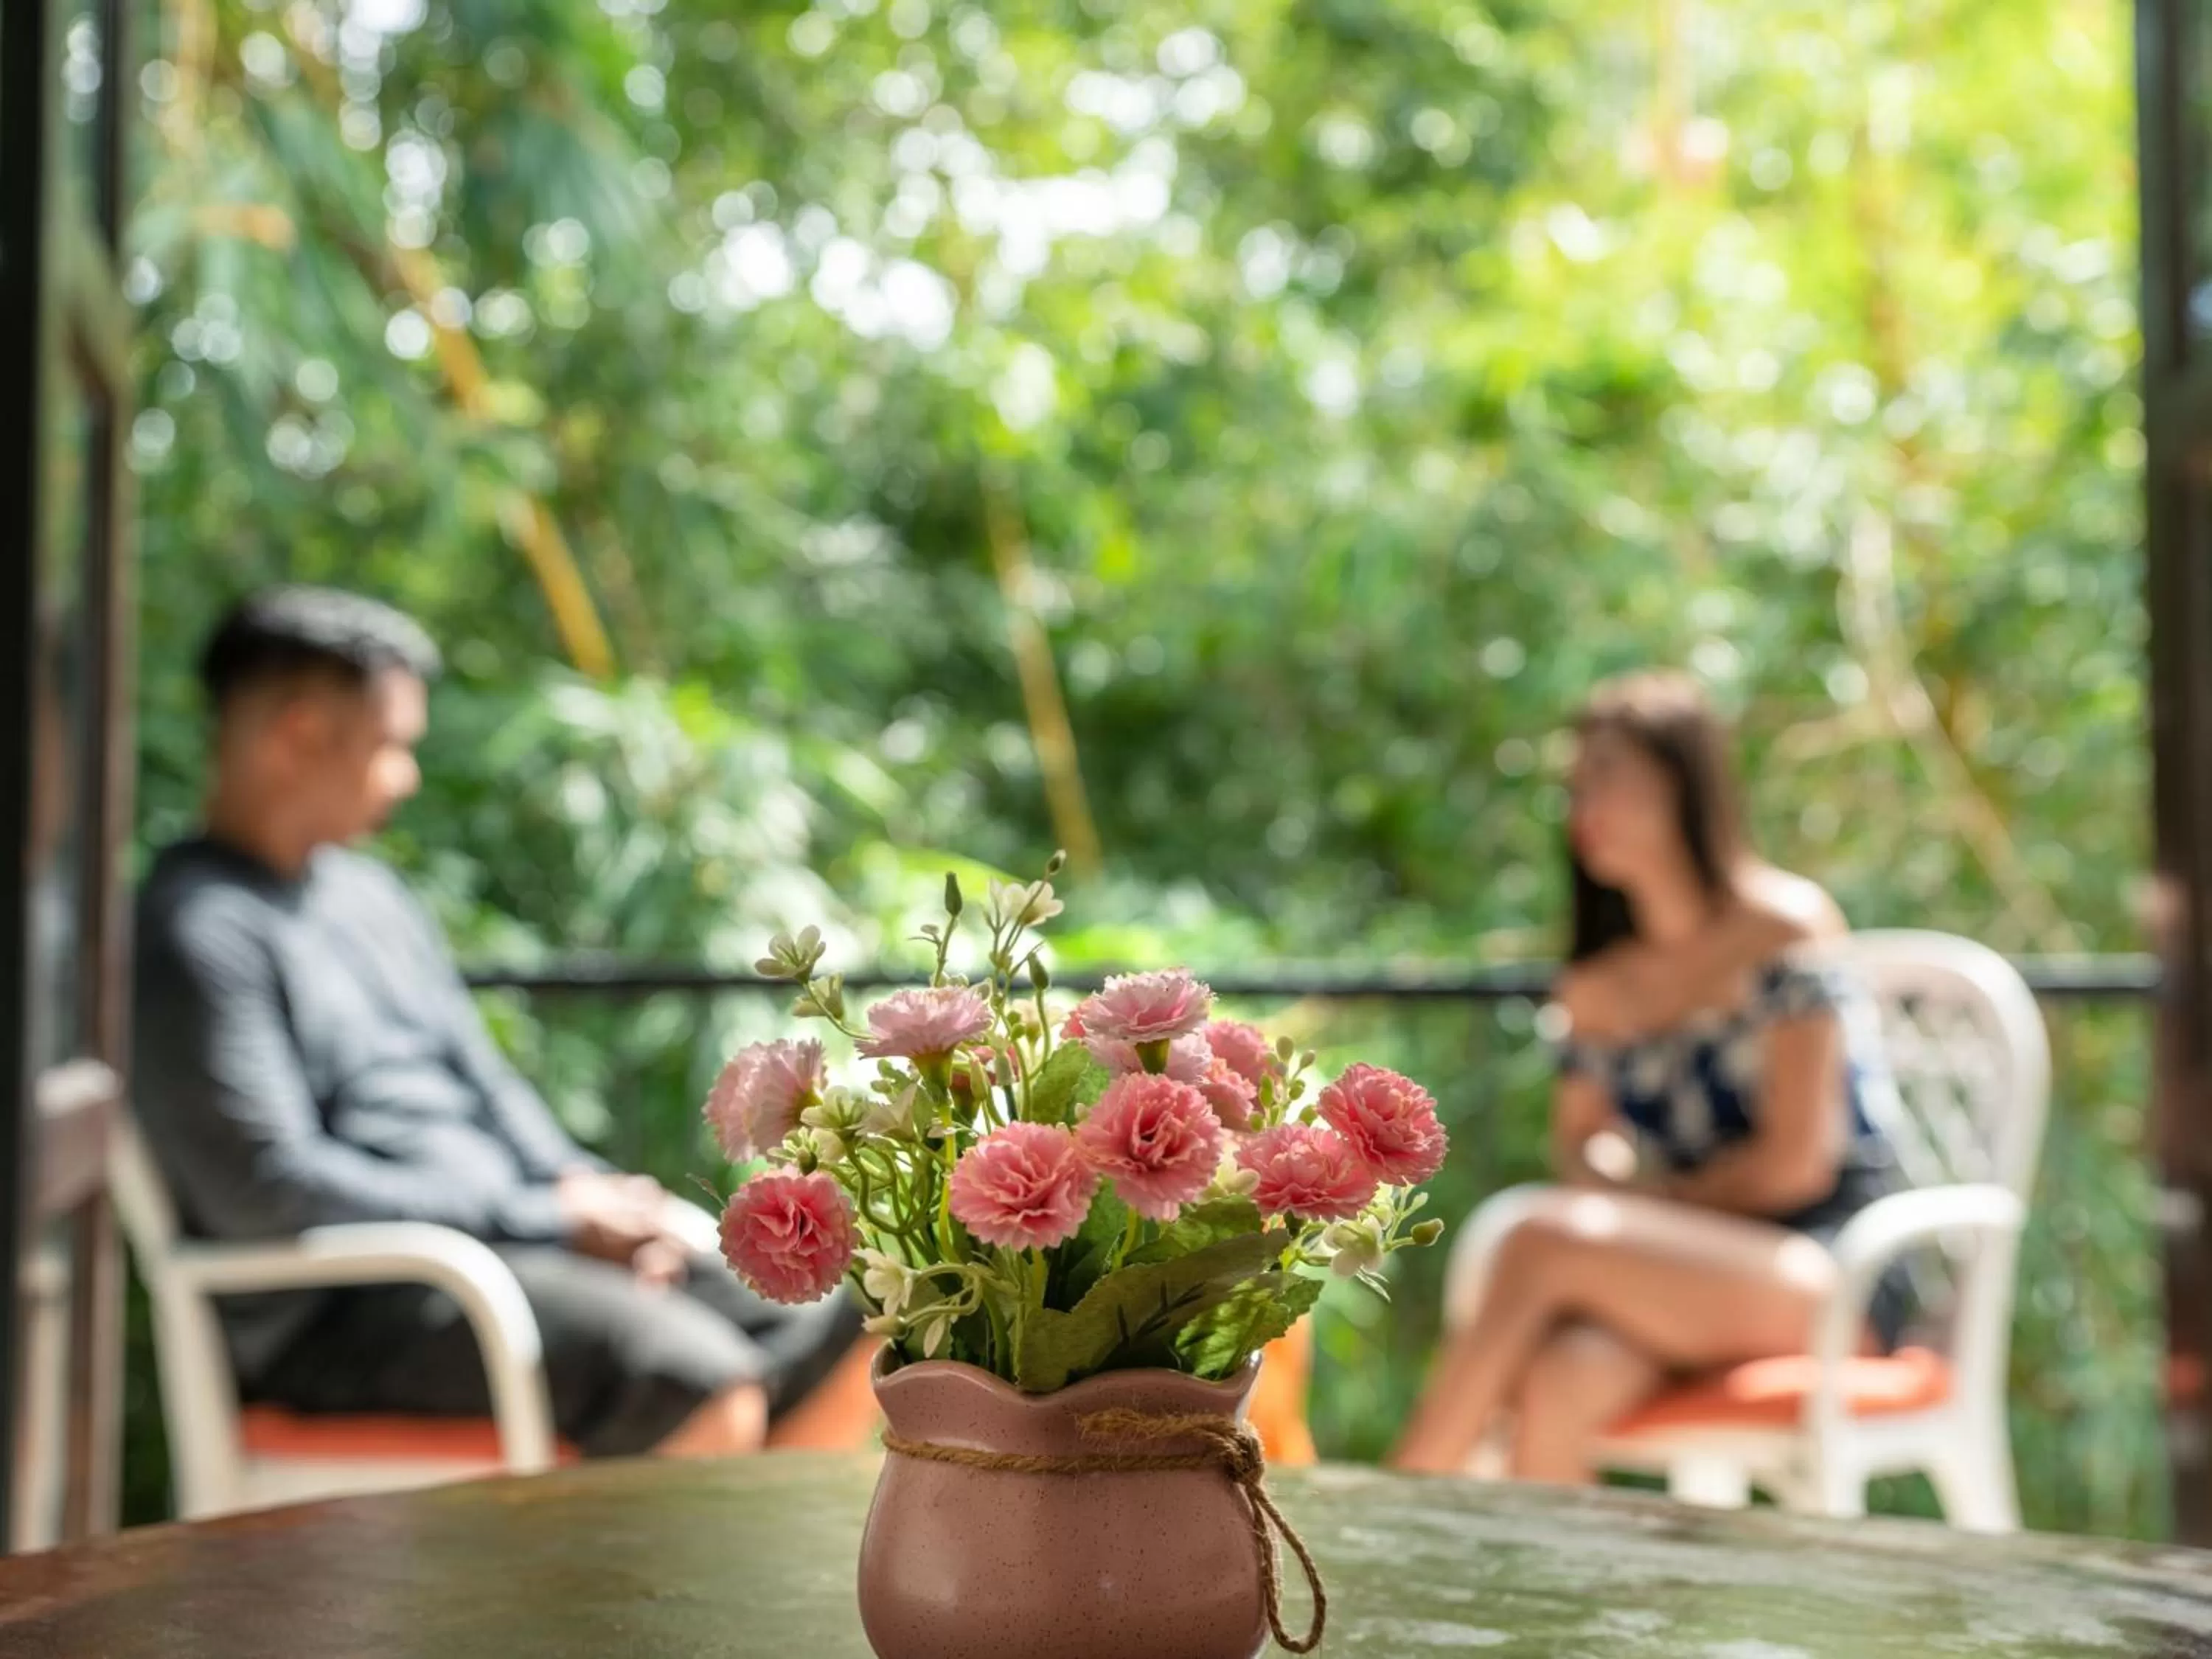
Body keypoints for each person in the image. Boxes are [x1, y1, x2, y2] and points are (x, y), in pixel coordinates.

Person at [133, 587, 859, 1458]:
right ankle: (652, 1594)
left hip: (502, 1252)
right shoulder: (195, 933)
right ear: (302, 735)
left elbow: (483, 1082)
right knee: (686, 1376)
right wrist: (546, 1216)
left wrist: (597, 1199)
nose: (406, 777)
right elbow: (266, 1185)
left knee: (843, 1321)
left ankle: (737, 1577)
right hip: (353, 1302)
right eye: (392, 746)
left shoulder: (372, 897)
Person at [1390, 670, 1911, 1482]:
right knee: (1562, 1377)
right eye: (1573, 786)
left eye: (1607, 777)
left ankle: (1408, 1502)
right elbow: (1582, 1149)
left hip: (1833, 1269)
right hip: (1679, 1265)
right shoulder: (1598, 985)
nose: (1582, 810)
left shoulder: (1785, 927)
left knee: (1540, 1236)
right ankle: (1549, 1608)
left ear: (1684, 785)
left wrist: (1636, 1205)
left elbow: (1794, 1166)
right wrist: (1612, 1181)